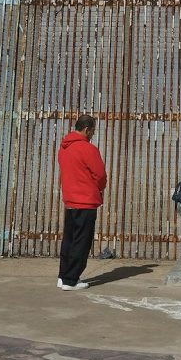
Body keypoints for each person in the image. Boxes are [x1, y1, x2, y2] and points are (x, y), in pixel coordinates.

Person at [56, 114, 108, 291]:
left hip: (70, 199)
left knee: (69, 240)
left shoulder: (64, 148)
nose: (93, 134)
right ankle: (71, 280)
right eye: (93, 130)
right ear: (87, 129)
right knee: (81, 242)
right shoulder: (88, 149)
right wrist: (99, 187)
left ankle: (63, 276)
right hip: (85, 201)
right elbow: (100, 175)